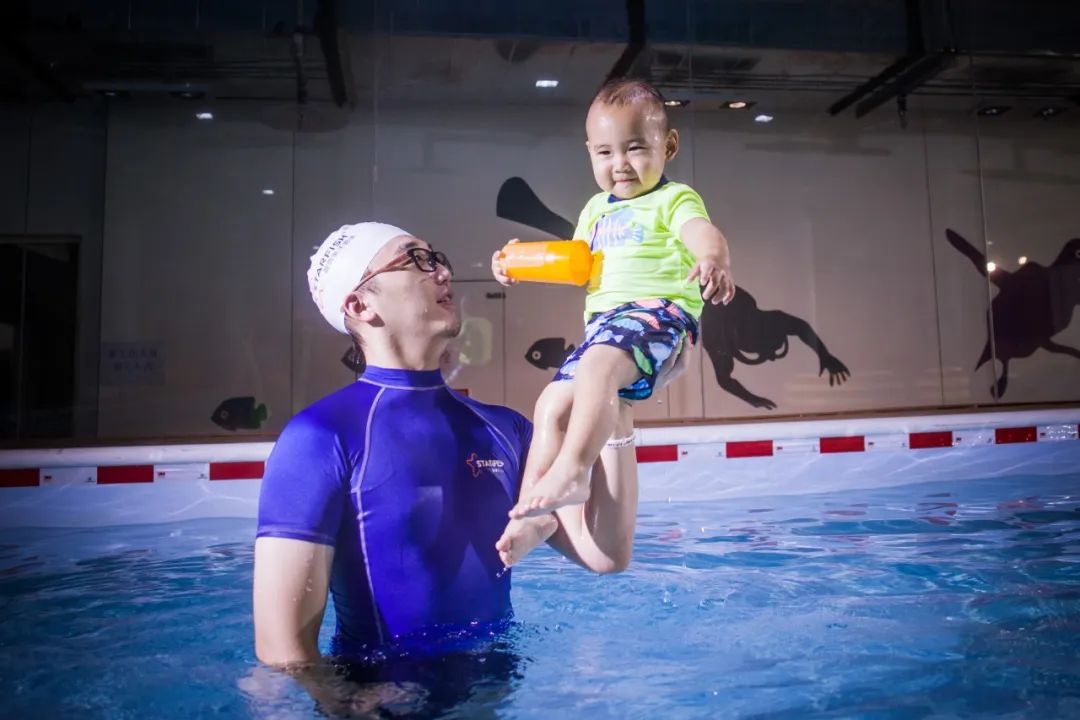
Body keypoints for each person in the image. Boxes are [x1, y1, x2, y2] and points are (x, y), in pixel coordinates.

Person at [253, 222, 687, 687]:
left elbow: (605, 555)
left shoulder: (504, 428)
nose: (442, 271)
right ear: (360, 305)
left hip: (497, 694)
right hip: (390, 701)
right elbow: (284, 652)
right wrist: (345, 705)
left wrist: (618, 410)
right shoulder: (321, 438)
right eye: (416, 260)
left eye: (437, 257)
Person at [492, 78, 736, 523]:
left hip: (656, 312)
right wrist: (516, 264)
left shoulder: (672, 198)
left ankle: (573, 471)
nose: (620, 164)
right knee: (551, 405)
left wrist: (712, 259)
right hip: (607, 328)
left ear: (670, 145)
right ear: (590, 152)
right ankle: (533, 517)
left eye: (636, 148)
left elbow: (702, 232)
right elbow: (575, 264)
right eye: (605, 153)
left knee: (597, 366)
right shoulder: (594, 210)